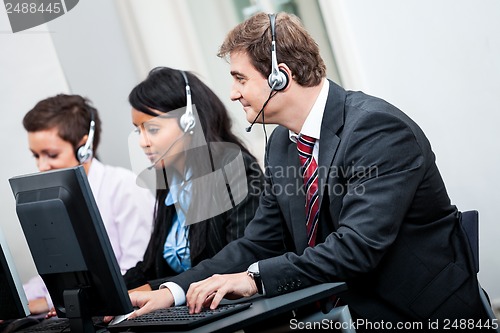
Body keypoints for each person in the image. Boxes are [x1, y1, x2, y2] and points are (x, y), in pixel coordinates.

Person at [126, 12, 490, 329]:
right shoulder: (282, 145)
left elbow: (355, 248)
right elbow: (258, 242)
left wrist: (254, 279)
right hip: (341, 315)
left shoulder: (376, 130)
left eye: (240, 78)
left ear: (279, 77)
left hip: (416, 314)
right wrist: (172, 291)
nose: (233, 93)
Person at [122, 67, 264, 292]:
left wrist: (157, 289)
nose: (143, 142)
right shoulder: (172, 182)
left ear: (189, 122)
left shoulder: (235, 169)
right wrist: (101, 298)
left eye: (153, 129)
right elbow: (149, 268)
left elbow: (239, 260)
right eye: (138, 131)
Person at [22, 94, 155, 314]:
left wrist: (47, 303)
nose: (42, 166)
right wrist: (20, 302)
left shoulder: (124, 187)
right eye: (36, 155)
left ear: (83, 148)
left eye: (51, 155)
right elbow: (54, 273)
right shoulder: (54, 199)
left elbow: (138, 270)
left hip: (124, 312)